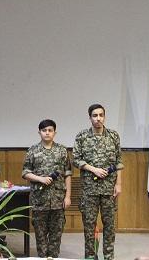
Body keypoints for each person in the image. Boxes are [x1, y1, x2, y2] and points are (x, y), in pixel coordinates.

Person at [72, 104, 123, 260]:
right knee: (89, 226)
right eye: (95, 115)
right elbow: (76, 160)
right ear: (90, 118)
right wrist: (93, 169)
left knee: (109, 226)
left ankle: (108, 256)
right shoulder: (82, 136)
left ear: (104, 117)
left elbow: (119, 161)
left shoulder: (113, 136)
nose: (98, 118)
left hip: (109, 189)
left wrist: (118, 184)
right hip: (90, 189)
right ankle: (90, 256)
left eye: (101, 115)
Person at [22, 119, 72, 258]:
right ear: (39, 133)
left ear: (55, 133)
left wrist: (68, 197)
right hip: (40, 200)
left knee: (56, 233)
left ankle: (53, 257)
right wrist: (40, 179)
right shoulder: (33, 150)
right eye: (44, 130)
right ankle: (42, 257)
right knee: (40, 234)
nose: (47, 133)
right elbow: (25, 173)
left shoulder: (62, 150)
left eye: (50, 130)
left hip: (58, 199)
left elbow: (68, 174)